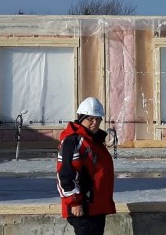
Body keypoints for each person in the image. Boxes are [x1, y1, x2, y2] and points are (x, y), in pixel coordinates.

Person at [56, 97, 116, 235]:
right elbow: (65, 173)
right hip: (83, 207)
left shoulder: (94, 141)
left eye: (98, 119)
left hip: (96, 207)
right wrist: (74, 202)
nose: (95, 123)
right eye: (90, 119)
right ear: (81, 118)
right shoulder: (74, 141)